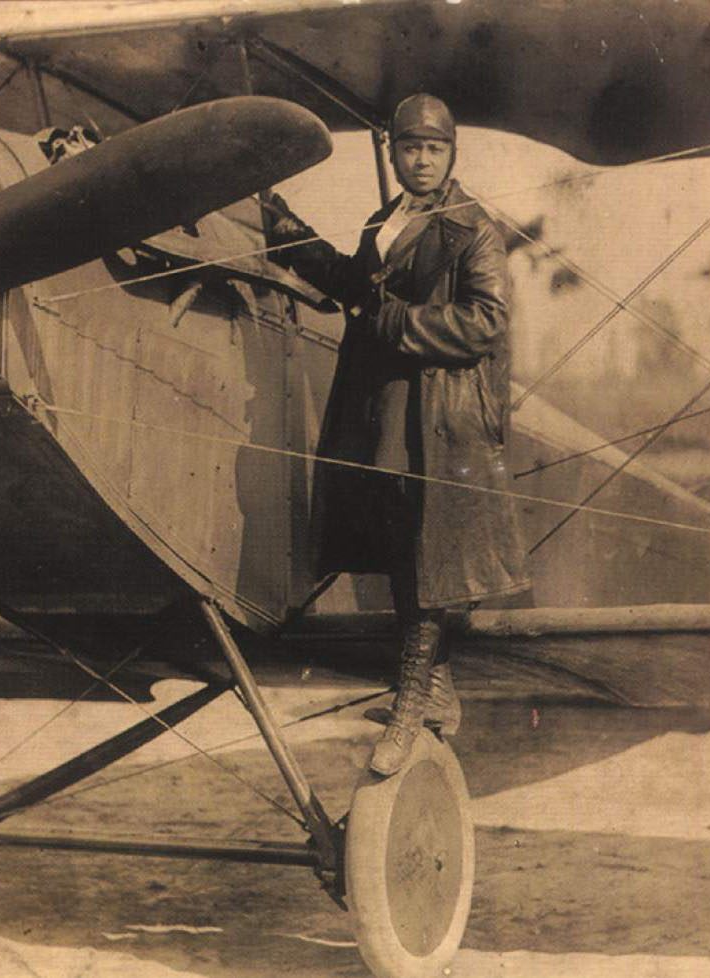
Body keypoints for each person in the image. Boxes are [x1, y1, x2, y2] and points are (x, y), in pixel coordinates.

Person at [261, 94, 528, 776]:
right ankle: (437, 692)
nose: (421, 158)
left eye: (433, 148)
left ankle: (410, 705)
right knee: (400, 546)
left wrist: (401, 325)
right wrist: (285, 229)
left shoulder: (473, 229)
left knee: (424, 555)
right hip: (383, 406)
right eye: (410, 147)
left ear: (451, 153)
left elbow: (486, 323)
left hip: (435, 416)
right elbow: (356, 284)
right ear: (394, 152)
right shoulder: (389, 219)